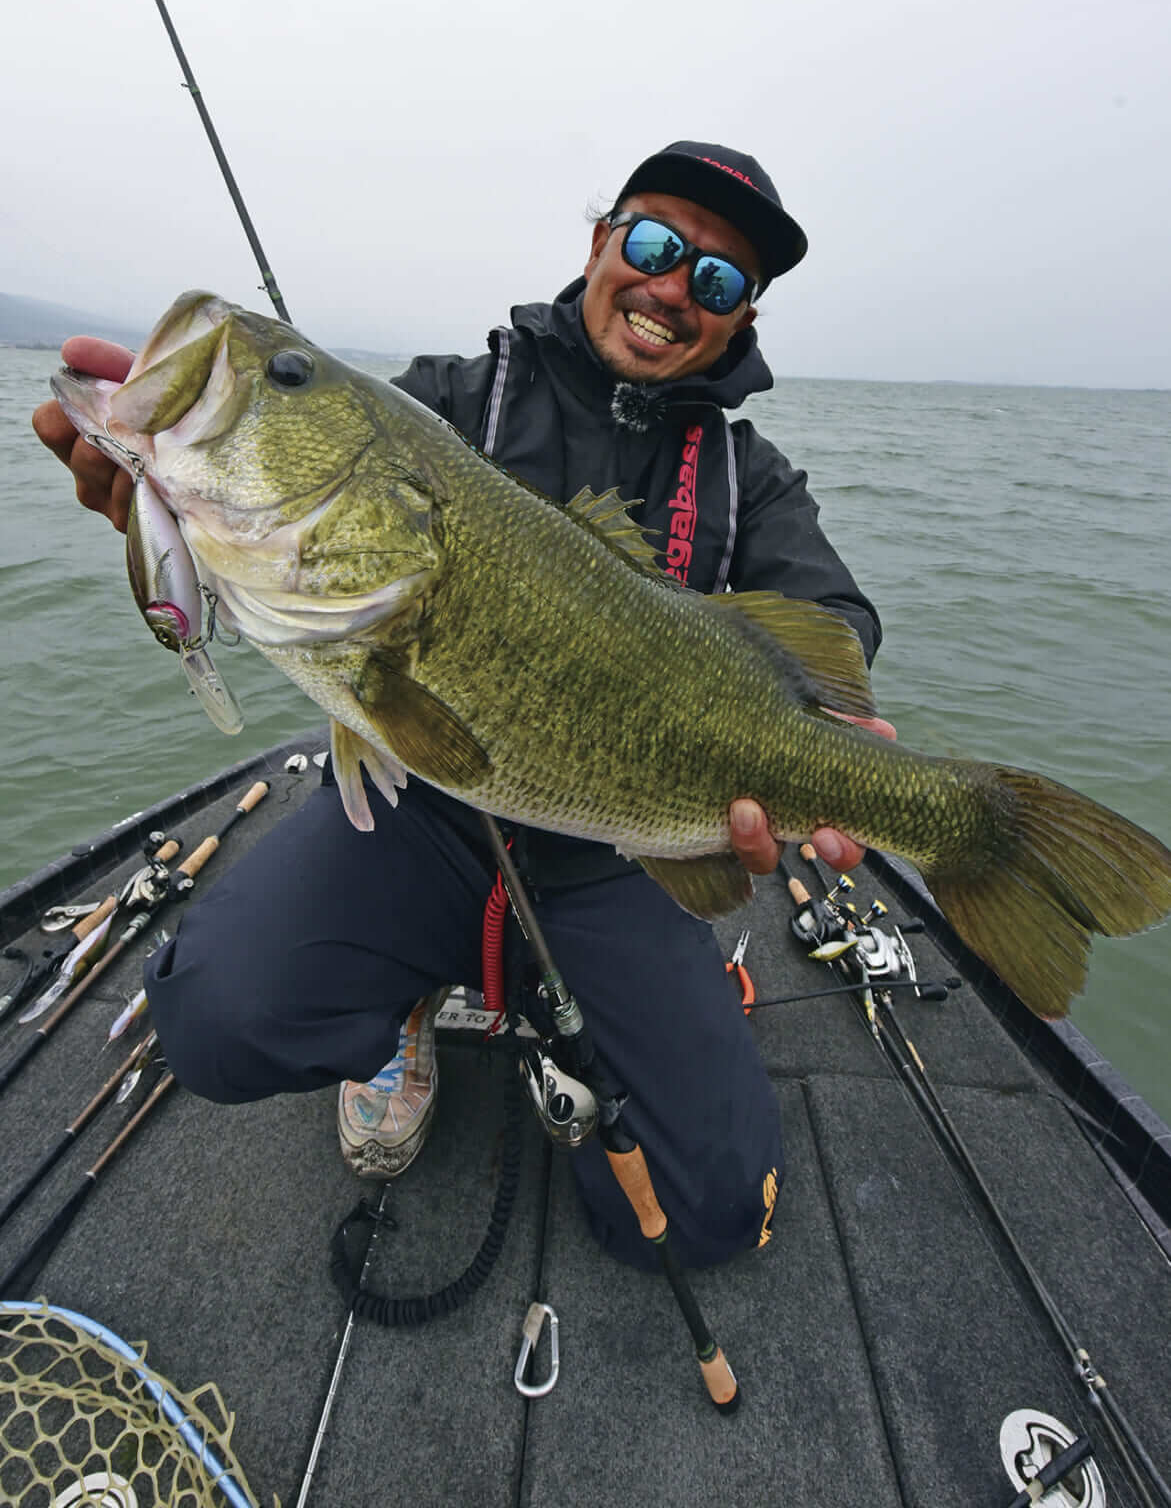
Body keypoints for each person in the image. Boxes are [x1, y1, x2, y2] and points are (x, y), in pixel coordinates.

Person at [33, 140, 892, 1271]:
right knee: (214, 1018)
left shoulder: (750, 477)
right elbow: (304, 566)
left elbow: (828, 621)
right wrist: (190, 521)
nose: (675, 287)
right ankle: (394, 1012)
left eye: (719, 282)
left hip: (623, 857)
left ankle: (600, 1023)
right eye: (653, 244)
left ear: (738, 322)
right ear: (599, 243)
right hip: (421, 814)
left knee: (703, 1216)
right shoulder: (444, 402)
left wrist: (840, 753)